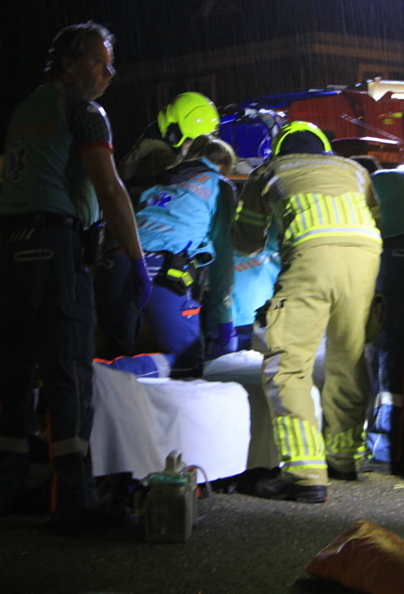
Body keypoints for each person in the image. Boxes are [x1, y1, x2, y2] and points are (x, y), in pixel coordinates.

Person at [0, 22, 150, 529]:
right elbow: (111, 187)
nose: (107, 73)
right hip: (55, 245)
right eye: (100, 61)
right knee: (68, 373)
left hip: (9, 247)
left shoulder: (26, 108)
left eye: (110, 64)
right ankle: (73, 501)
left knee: (12, 371)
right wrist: (136, 259)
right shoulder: (85, 111)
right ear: (70, 62)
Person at [232, 121, 382, 503]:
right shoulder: (353, 169)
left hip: (311, 255)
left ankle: (303, 473)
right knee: (348, 357)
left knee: (288, 363)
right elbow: (374, 216)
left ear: (281, 149)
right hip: (365, 255)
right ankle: (345, 457)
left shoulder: (269, 171)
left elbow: (247, 242)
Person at [95, 94, 237, 375]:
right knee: (185, 363)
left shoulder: (159, 175)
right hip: (160, 267)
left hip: (113, 262)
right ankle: (93, 377)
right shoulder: (219, 186)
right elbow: (223, 260)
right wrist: (225, 320)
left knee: (118, 351)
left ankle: (78, 385)